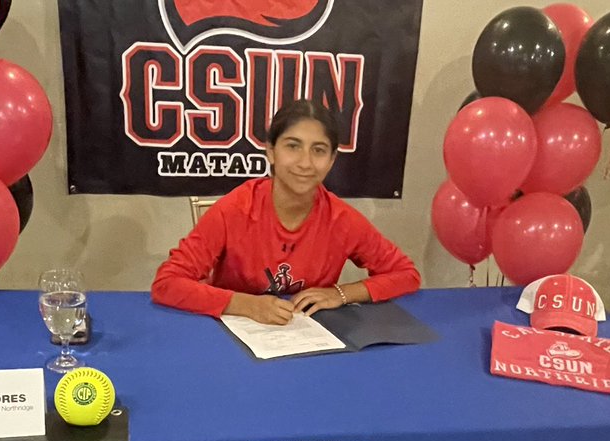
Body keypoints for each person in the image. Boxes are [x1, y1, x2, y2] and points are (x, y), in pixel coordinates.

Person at [152, 99, 420, 325]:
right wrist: (245, 305)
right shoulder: (234, 210)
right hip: (233, 336)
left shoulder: (342, 219)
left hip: (307, 341)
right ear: (271, 151)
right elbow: (167, 283)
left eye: (318, 150)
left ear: (331, 161)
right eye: (293, 146)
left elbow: (406, 275)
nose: (305, 162)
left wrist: (342, 293)